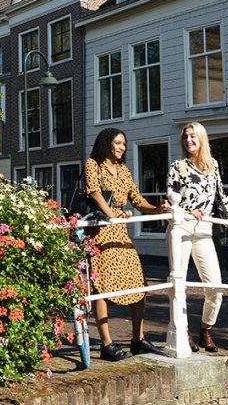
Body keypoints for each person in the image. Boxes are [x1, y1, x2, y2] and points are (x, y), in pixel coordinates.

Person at [165, 122, 228, 353]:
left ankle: (206, 329)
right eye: (185, 137)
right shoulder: (177, 167)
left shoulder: (212, 166)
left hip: (204, 229)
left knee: (215, 287)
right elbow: (170, 203)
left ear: (202, 139)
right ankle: (182, 331)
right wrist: (186, 212)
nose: (189, 141)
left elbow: (222, 199)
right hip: (181, 228)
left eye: (193, 137)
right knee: (179, 283)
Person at [84, 127, 163, 361]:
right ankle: (107, 344)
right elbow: (94, 192)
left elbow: (137, 200)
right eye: (117, 143)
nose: (121, 147)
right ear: (106, 143)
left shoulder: (123, 170)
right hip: (100, 232)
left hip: (121, 234)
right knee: (103, 289)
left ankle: (138, 339)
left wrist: (157, 209)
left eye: (124, 144)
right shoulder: (93, 164)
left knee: (138, 284)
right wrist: (112, 214)